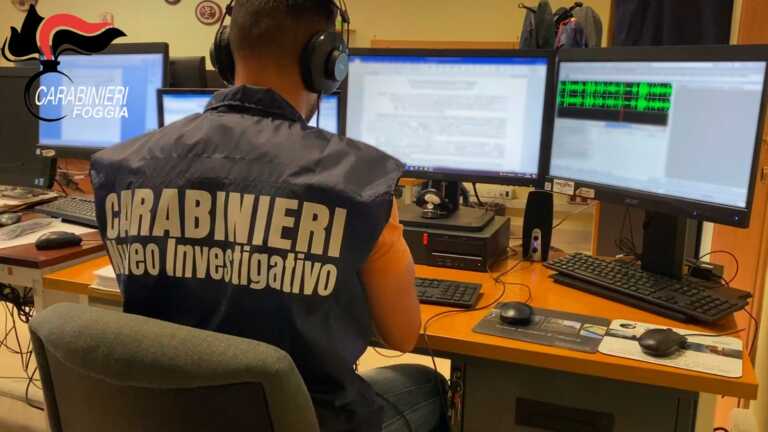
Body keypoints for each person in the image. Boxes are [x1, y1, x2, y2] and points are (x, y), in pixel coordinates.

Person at [90, 0, 447, 431]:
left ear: (226, 52)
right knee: (427, 383)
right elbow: (402, 334)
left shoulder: (119, 168)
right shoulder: (362, 181)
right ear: (326, 61)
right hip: (308, 420)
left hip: (170, 416)